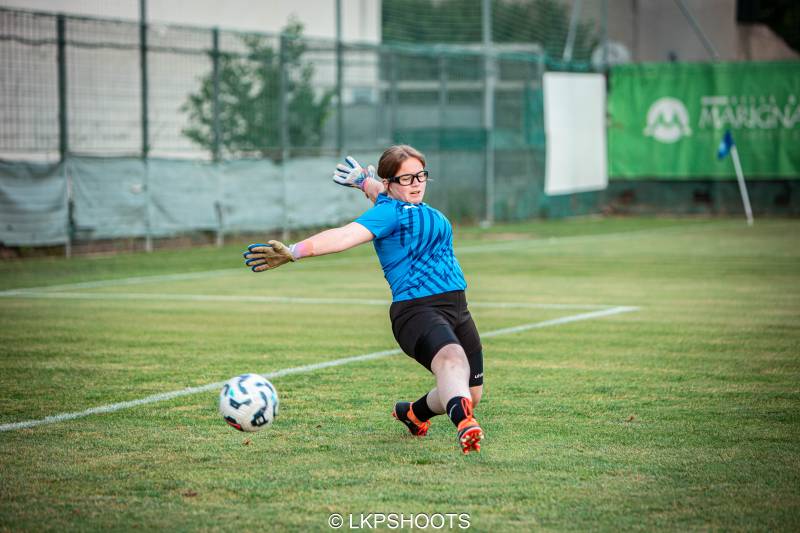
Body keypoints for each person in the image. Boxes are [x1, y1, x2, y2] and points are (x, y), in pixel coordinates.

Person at [242, 145, 485, 454]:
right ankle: (465, 424)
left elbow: (376, 187)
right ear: (390, 183)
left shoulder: (394, 198)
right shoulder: (387, 212)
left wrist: (362, 181)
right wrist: (294, 251)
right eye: (407, 178)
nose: (416, 183)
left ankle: (412, 413)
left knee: (472, 392)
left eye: (421, 175)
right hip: (417, 310)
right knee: (453, 363)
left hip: (457, 308)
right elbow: (344, 236)